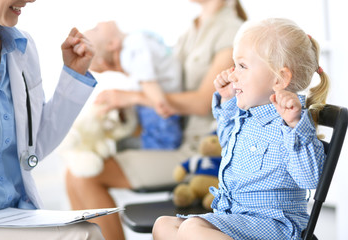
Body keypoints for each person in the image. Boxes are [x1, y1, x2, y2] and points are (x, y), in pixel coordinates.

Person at [65, 0, 247, 239]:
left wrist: (131, 97)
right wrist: (125, 69)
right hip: (177, 141)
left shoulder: (232, 31)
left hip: (200, 152)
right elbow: (165, 88)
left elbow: (204, 102)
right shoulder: (191, 31)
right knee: (75, 173)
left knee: (84, 176)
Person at [152, 17, 330, 240]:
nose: (233, 74)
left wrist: (293, 126)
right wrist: (227, 101)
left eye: (242, 66)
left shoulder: (291, 123)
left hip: (275, 225)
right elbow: (227, 147)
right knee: (163, 225)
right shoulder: (247, 115)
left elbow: (310, 179)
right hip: (237, 217)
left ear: (280, 78)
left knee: (191, 229)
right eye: (235, 65)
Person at [0, 0, 104, 239]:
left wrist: (74, 74)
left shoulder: (22, 47)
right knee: (85, 235)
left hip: (18, 213)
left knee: (86, 231)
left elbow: (32, 147)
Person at [84, 21, 183, 150]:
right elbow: (147, 80)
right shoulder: (132, 46)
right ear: (112, 44)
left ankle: (130, 144)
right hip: (157, 104)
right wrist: (159, 102)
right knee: (164, 139)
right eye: (95, 28)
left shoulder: (132, 45)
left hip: (159, 100)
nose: (98, 22)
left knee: (152, 129)